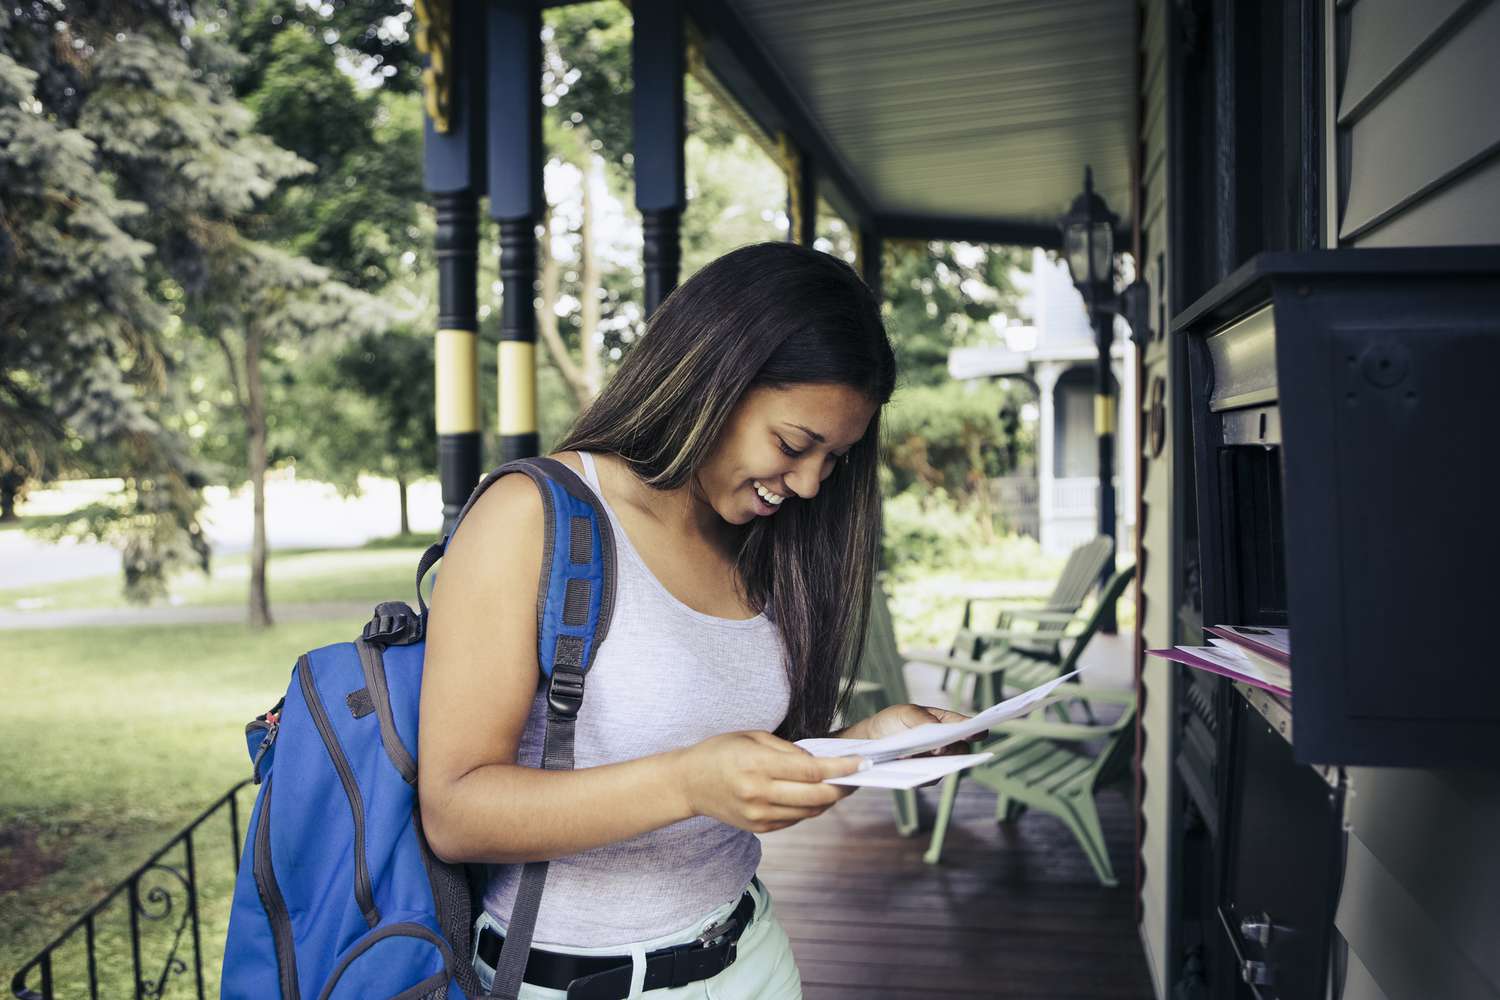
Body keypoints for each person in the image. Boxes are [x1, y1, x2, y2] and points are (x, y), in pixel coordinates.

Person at [418, 241, 967, 999]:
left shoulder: (756, 538)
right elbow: (456, 809)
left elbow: (736, 776)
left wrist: (863, 749)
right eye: (794, 444)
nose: (809, 484)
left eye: (834, 459)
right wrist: (686, 782)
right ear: (715, 380)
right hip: (582, 980)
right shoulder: (533, 519)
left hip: (751, 956)